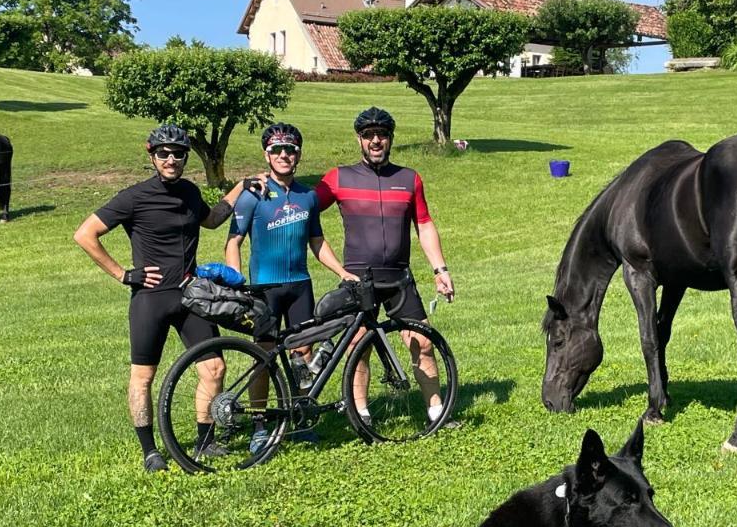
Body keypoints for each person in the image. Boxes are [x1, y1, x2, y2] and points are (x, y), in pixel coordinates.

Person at [73, 124, 264, 472]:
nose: (171, 159)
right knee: (143, 376)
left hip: (191, 297)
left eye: (178, 153)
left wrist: (241, 186)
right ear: (152, 155)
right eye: (164, 153)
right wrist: (123, 274)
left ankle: (205, 442)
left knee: (215, 367)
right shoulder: (134, 197)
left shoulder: (190, 192)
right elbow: (85, 234)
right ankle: (150, 451)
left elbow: (212, 220)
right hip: (151, 300)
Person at [315, 107, 455, 426]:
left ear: (390, 139)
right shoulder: (338, 178)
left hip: (398, 278)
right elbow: (304, 213)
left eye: (382, 135)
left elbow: (424, 224)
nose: (376, 141)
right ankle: (361, 413)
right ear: (359, 140)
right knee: (357, 344)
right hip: (357, 279)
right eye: (368, 136)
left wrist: (440, 270)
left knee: (422, 341)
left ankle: (436, 411)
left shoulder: (409, 179)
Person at [224, 121, 354, 451]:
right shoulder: (252, 195)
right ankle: (259, 425)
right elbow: (233, 243)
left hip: (300, 286)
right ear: (266, 155)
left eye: (290, 149)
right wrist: (237, 283)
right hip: (264, 290)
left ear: (298, 154)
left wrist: (342, 271)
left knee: (302, 355)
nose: (284, 155)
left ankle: (299, 418)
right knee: (262, 357)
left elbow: (317, 242)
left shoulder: (308, 195)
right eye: (277, 150)